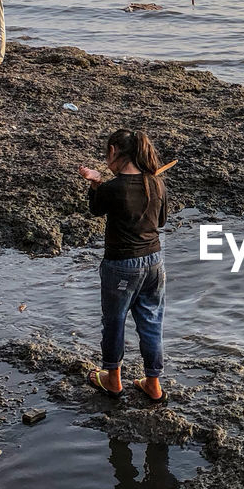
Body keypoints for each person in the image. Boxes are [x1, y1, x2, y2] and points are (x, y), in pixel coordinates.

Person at [79, 129, 168, 402]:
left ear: (114, 151)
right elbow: (161, 222)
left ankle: (113, 380)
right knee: (152, 321)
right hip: (154, 262)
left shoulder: (112, 188)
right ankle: (153, 384)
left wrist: (95, 183)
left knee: (114, 322)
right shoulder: (156, 183)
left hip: (121, 265)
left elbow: (95, 209)